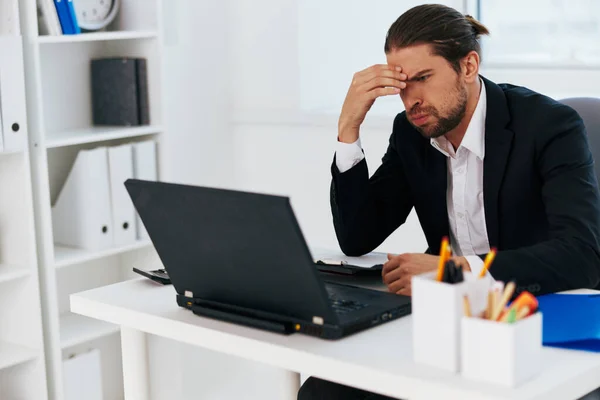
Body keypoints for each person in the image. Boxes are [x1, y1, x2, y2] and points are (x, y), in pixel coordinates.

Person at [298, 3, 600, 400]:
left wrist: (452, 271)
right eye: (402, 84)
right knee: (323, 392)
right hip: (445, 323)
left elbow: (581, 255)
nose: (412, 100)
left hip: (529, 317)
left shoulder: (549, 125)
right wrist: (347, 131)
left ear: (469, 66)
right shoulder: (412, 133)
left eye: (423, 78)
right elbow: (357, 236)